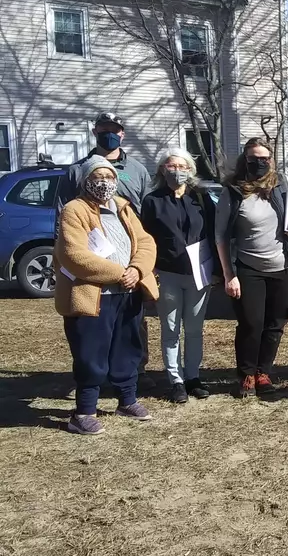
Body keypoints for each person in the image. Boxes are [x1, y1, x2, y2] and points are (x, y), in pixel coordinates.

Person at [56, 157, 159, 435]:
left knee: (127, 349)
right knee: (91, 354)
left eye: (109, 177)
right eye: (98, 176)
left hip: (127, 292)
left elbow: (146, 242)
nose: (104, 182)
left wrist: (137, 270)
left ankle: (127, 401)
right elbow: (73, 254)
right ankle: (84, 412)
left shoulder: (123, 208)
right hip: (94, 295)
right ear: (86, 180)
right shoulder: (74, 210)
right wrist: (119, 272)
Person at [57, 112, 154, 386]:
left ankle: (136, 372)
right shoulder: (77, 170)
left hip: (130, 258)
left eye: (114, 129)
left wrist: (143, 262)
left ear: (122, 133)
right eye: (104, 129)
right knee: (92, 321)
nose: (109, 133)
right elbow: (61, 214)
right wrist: (63, 261)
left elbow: (147, 214)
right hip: (91, 260)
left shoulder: (137, 170)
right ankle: (94, 379)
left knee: (133, 321)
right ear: (95, 131)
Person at [215, 138, 288, 398]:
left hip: (284, 265)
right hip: (249, 268)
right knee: (252, 323)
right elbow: (220, 236)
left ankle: (264, 372)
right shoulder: (233, 191)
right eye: (254, 159)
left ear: (271, 160)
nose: (260, 163)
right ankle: (246, 375)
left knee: (276, 322)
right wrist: (230, 275)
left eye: (265, 159)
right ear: (245, 160)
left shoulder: (281, 185)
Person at [141, 148, 218, 404]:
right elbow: (146, 239)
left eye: (183, 166)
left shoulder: (201, 198)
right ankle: (176, 380)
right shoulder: (152, 201)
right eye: (172, 166)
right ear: (163, 169)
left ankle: (193, 377)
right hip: (167, 273)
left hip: (198, 272)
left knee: (194, 329)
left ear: (190, 170)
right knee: (171, 329)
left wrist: (216, 269)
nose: (178, 171)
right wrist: (149, 271)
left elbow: (214, 232)